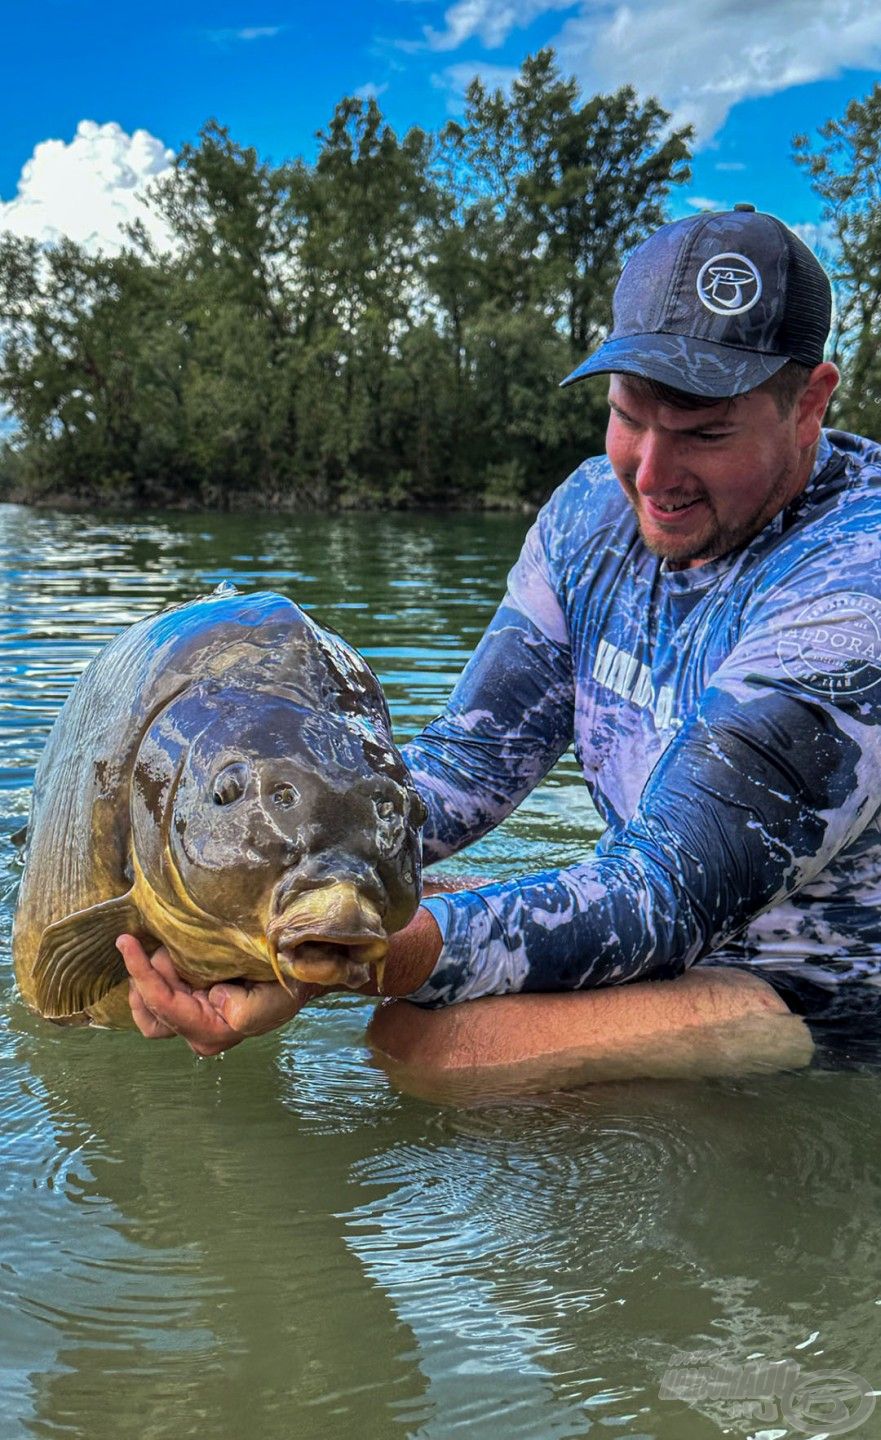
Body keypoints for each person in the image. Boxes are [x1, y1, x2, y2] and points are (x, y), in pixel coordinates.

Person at [118, 205, 881, 1085]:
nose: (651, 475)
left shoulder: (853, 582)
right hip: (655, 922)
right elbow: (473, 759)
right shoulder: (592, 514)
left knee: (431, 1047)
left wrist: (348, 961)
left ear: (809, 403)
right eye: (629, 416)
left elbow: (667, 892)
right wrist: (276, 877)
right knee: (261, 912)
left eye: (706, 434)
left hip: (817, 995)